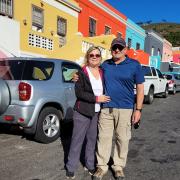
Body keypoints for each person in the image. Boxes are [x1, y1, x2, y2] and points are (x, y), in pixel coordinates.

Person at [93, 37, 144, 180]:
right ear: (111, 49)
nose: (117, 50)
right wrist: (78, 76)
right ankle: (101, 166)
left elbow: (140, 88)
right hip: (106, 108)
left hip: (126, 109)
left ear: (125, 50)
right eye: (114, 48)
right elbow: (92, 74)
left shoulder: (134, 65)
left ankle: (118, 166)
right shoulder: (105, 64)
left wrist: (138, 110)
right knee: (103, 138)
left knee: (123, 138)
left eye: (120, 48)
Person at [65, 46, 110, 179]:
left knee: (92, 140)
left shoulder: (103, 72)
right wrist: (97, 98)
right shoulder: (81, 73)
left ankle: (89, 164)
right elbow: (79, 93)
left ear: (100, 58)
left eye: (97, 55)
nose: (94, 57)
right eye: (92, 55)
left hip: (96, 112)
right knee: (77, 140)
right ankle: (70, 166)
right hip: (82, 112)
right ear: (87, 57)